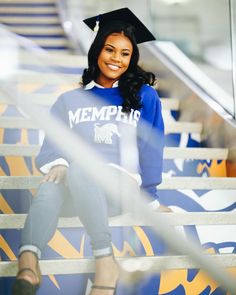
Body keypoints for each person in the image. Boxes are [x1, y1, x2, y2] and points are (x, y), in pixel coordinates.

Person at [12, 7, 170, 295]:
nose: (117, 59)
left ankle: (100, 257)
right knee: (50, 187)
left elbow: (151, 146)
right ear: (97, 50)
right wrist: (58, 162)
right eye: (110, 49)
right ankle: (29, 260)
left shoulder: (143, 96)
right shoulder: (69, 100)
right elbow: (52, 146)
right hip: (79, 191)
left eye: (125, 53)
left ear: (131, 58)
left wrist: (151, 198)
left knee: (82, 166)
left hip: (118, 189)